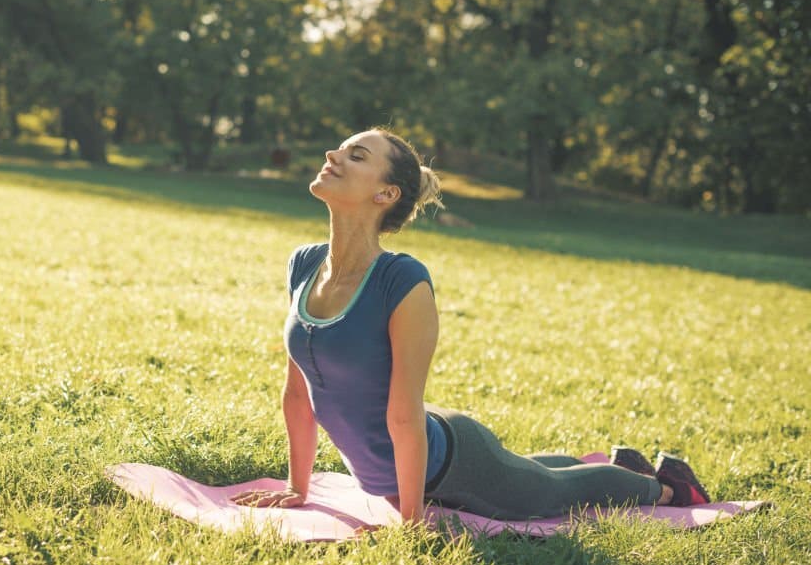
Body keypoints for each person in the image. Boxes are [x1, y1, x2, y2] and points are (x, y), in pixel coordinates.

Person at [229, 129, 711, 524]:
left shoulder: (402, 281)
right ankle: (623, 461)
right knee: (528, 470)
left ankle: (666, 486)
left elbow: (403, 416)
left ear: (385, 193)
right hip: (419, 441)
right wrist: (297, 488)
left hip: (452, 465)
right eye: (341, 148)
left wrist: (412, 523)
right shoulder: (304, 265)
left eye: (355, 155)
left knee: (554, 492)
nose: (332, 154)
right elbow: (299, 392)